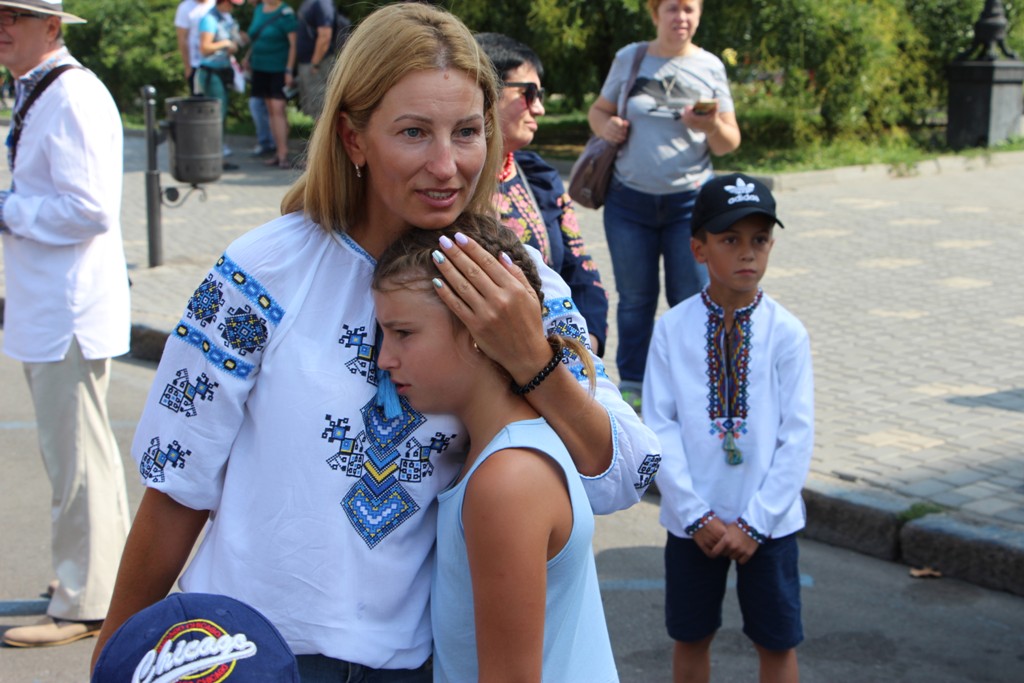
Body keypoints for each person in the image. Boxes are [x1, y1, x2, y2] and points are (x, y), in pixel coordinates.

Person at [91, 3, 660, 679]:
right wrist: (115, 648)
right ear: (354, 138)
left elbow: (624, 472)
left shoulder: (513, 277)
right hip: (250, 653)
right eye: (414, 132)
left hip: (414, 663)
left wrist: (533, 359)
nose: (447, 165)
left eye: (468, 131)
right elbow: (178, 481)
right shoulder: (263, 271)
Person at [373, 215, 619, 682]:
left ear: (477, 331)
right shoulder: (510, 450)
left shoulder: (507, 481)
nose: (385, 359)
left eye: (403, 333)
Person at [643, 173, 813, 683]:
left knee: (776, 639)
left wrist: (756, 522)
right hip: (694, 522)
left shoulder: (788, 333)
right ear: (698, 249)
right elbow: (660, 425)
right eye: (730, 239)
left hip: (770, 523)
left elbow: (797, 435)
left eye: (759, 240)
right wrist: (695, 515)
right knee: (691, 635)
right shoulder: (672, 330)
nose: (747, 253)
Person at [0, 0, 132, 648]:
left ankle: (83, 602)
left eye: (14, 16)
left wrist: (9, 208)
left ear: (52, 27)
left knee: (78, 458)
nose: (2, 26)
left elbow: (87, 210)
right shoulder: (48, 90)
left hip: (67, 312)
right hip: (56, 307)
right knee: (82, 458)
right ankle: (90, 585)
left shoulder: (69, 95)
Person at [587, 0, 741, 411]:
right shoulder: (631, 57)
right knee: (636, 299)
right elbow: (598, 111)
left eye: (690, 9)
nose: (682, 18)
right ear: (655, 13)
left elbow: (729, 142)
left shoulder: (709, 66)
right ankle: (634, 384)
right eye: (673, 8)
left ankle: (690, 383)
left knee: (690, 298)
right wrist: (609, 126)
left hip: (689, 204)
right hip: (629, 201)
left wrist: (710, 126)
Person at [477, 32, 610, 356]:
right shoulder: (447, 182)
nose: (539, 109)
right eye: (528, 93)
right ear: (485, 93)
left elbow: (580, 267)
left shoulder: (540, 179)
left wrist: (584, 344)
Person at [243, 0, 296, 168]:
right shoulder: (259, 9)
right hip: (260, 67)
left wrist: (288, 70)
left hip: (278, 68)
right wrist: (247, 57)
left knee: (278, 109)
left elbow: (293, 45)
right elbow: (255, 37)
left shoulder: (286, 13)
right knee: (270, 110)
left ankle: (283, 153)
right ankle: (277, 150)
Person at [197, 0, 244, 171]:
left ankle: (218, 155)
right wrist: (225, 44)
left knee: (222, 115)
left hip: (223, 71)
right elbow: (205, 47)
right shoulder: (209, 19)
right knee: (216, 116)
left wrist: (233, 46)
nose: (233, 8)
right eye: (231, 4)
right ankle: (214, 158)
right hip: (211, 73)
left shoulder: (227, 18)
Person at [295, 0, 349, 120]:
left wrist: (314, 63)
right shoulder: (310, 3)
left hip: (318, 64)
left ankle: (325, 139)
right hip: (310, 64)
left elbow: (325, 36)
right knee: (315, 110)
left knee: (322, 111)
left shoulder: (321, 3)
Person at [174, 0, 214, 96]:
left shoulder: (216, 4)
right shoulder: (185, 7)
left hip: (215, 62)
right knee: (199, 101)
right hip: (196, 64)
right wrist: (187, 66)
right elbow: (182, 39)